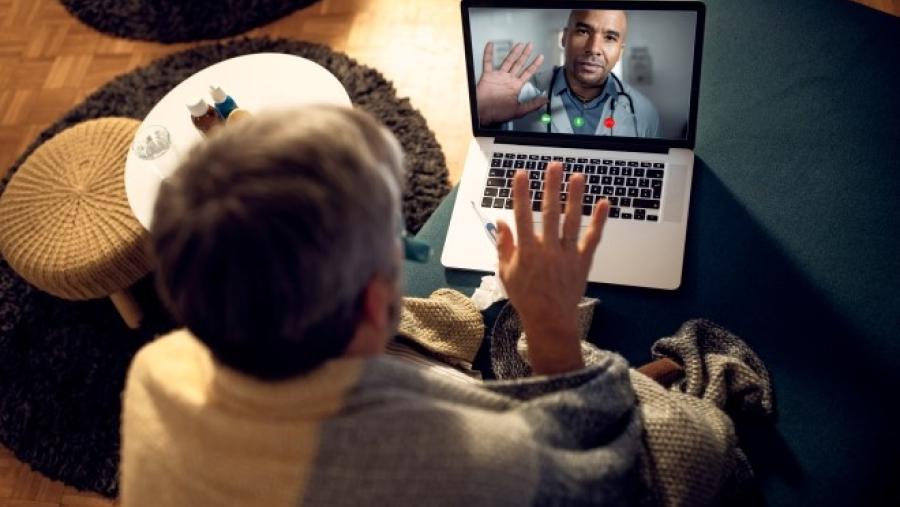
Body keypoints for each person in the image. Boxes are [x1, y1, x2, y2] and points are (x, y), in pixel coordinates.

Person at [120, 105, 746, 506]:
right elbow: (627, 483)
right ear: (372, 306)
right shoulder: (474, 463)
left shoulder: (156, 373)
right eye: (399, 241)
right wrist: (552, 324)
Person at [477, 9, 660, 137]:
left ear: (620, 52)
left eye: (609, 37)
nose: (594, 48)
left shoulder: (644, 112)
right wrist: (483, 120)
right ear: (564, 37)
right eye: (583, 31)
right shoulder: (517, 95)